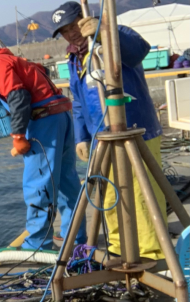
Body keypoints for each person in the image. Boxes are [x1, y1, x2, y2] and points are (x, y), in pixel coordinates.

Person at [52, 2, 167, 260]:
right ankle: (118, 247)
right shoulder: (75, 58)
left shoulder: (113, 36)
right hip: (101, 137)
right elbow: (79, 101)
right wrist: (82, 137)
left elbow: (139, 50)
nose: (71, 33)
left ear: (85, 19)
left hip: (136, 129)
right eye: (64, 31)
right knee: (110, 194)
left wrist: (105, 29)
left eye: (73, 26)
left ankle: (150, 252)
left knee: (142, 193)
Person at [0, 38, 87, 250]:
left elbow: (18, 96)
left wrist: (18, 135)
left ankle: (37, 244)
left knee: (39, 184)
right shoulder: (8, 58)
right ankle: (75, 237)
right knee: (66, 181)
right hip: (60, 116)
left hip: (44, 121)